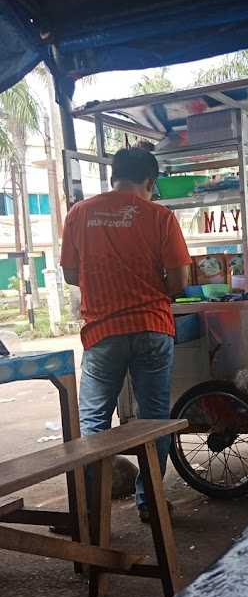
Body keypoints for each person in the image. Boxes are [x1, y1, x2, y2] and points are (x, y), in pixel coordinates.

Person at [60, 147, 191, 522]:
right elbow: (179, 280)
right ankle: (149, 502)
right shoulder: (160, 217)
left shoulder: (80, 214)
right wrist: (151, 294)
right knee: (153, 420)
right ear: (149, 182)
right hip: (152, 328)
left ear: (113, 177)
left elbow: (71, 275)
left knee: (94, 422)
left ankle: (90, 512)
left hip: (102, 331)